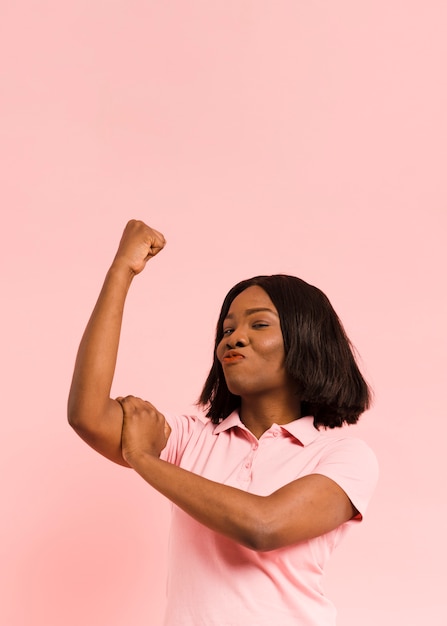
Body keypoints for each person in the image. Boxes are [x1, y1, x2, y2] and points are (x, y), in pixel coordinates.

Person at [68, 219, 378, 626]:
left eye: (259, 324)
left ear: (307, 340)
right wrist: (121, 272)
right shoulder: (190, 439)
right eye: (227, 328)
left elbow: (264, 526)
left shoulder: (342, 457)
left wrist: (143, 458)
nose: (233, 338)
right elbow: (87, 414)